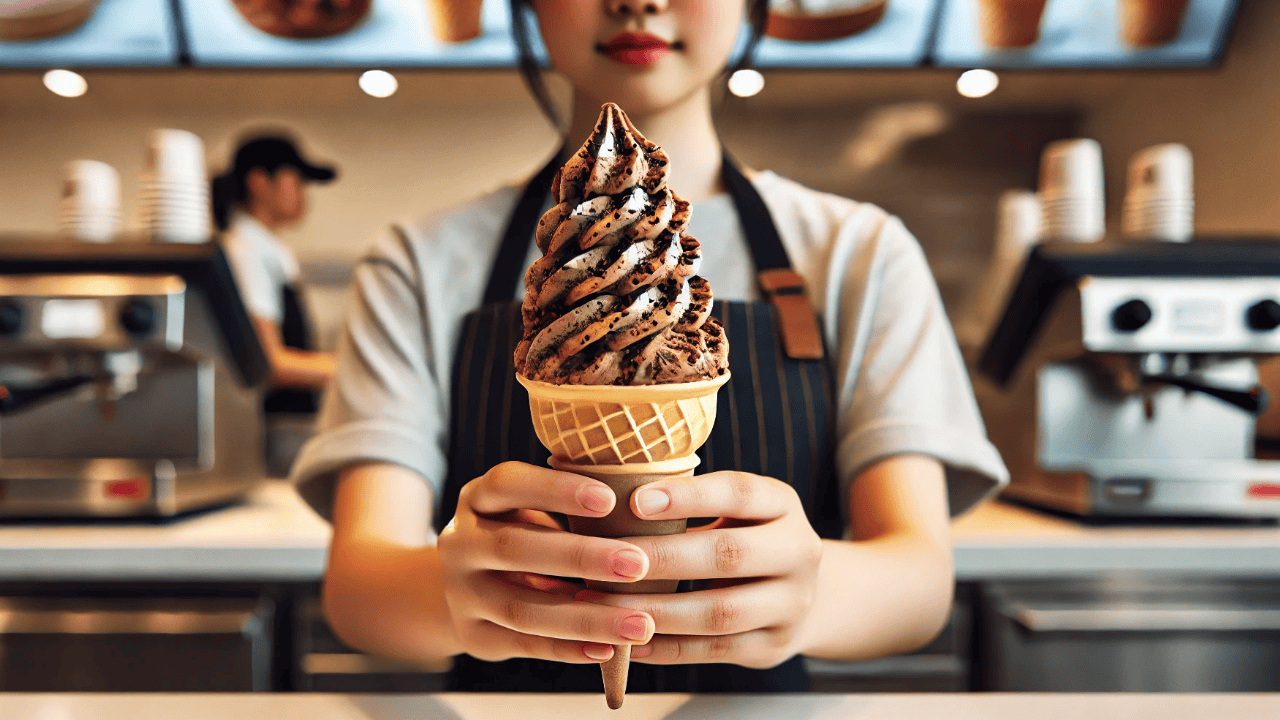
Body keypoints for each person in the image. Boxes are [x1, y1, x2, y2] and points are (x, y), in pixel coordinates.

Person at [291, 0, 1009, 694]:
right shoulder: (418, 260)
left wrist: (809, 594)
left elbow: (920, 581)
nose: (638, 1)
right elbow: (360, 589)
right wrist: (453, 596)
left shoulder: (859, 252)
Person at [212, 134, 338, 414]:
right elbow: (267, 360)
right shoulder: (246, 250)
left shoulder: (265, 247)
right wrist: (349, 369)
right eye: (297, 182)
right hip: (277, 422)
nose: (304, 194)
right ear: (259, 182)